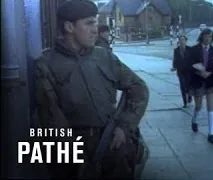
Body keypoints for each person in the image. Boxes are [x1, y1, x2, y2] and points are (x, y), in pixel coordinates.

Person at [34, 0, 149, 178]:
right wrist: (72, 154)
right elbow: (51, 116)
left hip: (114, 146)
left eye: (95, 22)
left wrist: (124, 126)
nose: (95, 28)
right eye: (89, 23)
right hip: (76, 153)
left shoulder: (104, 56)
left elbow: (138, 88)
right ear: (69, 27)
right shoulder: (46, 64)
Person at [189, 29, 213, 144]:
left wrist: (210, 73)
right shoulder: (194, 50)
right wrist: (198, 72)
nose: (208, 38)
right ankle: (194, 119)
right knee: (198, 106)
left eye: (210, 36)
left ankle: (211, 133)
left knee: (211, 107)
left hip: (210, 82)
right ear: (202, 37)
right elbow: (189, 65)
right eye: (206, 36)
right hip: (197, 81)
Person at [96, 24, 117, 108]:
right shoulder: (102, 45)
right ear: (101, 33)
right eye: (106, 32)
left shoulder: (102, 43)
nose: (108, 34)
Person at [171, 35, 192, 108]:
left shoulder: (190, 49)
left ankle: (189, 96)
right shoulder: (176, 50)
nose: (182, 41)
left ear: (186, 41)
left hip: (189, 71)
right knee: (182, 86)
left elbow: (193, 60)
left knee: (188, 86)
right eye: (180, 40)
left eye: (183, 40)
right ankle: (185, 102)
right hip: (180, 71)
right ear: (179, 41)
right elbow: (175, 60)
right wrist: (174, 67)